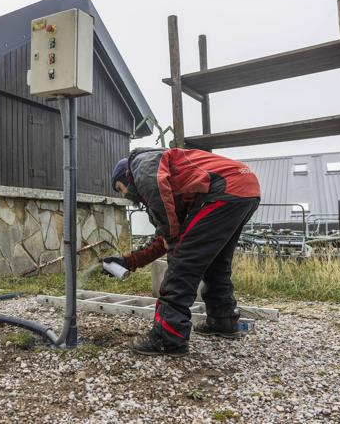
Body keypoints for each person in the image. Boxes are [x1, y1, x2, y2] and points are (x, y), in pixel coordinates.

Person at [105, 147, 260, 356]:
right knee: (216, 264)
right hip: (244, 188)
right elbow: (166, 237)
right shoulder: (177, 183)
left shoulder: (140, 165)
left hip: (224, 188)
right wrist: (129, 261)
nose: (123, 194)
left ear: (126, 176)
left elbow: (171, 236)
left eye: (119, 187)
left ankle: (167, 336)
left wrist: (172, 240)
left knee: (182, 262)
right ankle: (222, 320)